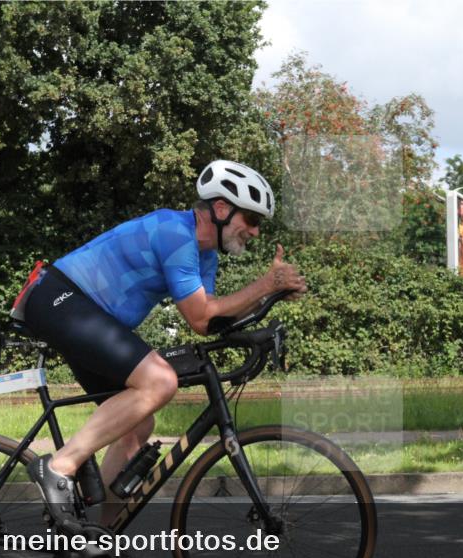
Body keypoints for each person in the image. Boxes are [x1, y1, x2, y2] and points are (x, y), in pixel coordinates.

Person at [16, 160, 307, 526]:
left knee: (138, 427)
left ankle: (98, 534)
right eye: (251, 220)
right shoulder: (175, 232)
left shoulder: (206, 256)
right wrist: (266, 285)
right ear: (221, 209)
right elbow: (202, 314)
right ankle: (58, 466)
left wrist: (269, 300)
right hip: (60, 298)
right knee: (160, 381)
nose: (256, 231)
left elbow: (210, 320)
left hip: (85, 312)